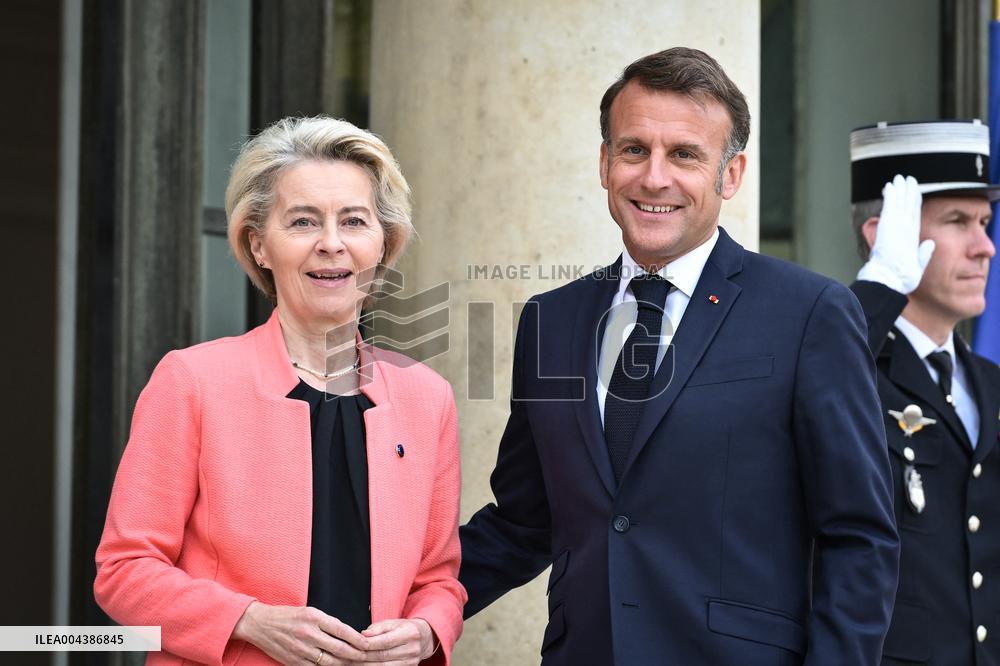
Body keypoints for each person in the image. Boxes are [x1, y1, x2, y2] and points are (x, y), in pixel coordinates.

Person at [458, 47, 899, 665]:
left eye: (685, 154)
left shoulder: (810, 313)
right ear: (606, 163)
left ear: (731, 174)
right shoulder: (550, 320)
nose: (654, 177)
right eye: (634, 149)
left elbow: (859, 539)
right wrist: (412, 614)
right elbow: (524, 522)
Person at [94, 116, 466, 666]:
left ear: (383, 244)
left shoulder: (427, 398)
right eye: (303, 222)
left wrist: (428, 629)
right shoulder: (192, 382)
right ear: (258, 245)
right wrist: (247, 620)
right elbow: (124, 572)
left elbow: (438, 578)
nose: (331, 244)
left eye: (355, 221)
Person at [848, 120, 1000, 665]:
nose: (985, 247)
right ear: (882, 233)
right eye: (958, 221)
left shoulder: (989, 383)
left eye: (984, 221)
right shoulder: (850, 366)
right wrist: (879, 284)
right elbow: (808, 378)